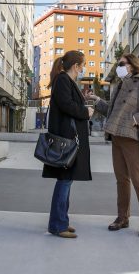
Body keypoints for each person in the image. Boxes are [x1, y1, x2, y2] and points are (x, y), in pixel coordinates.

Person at [86, 54, 139, 237]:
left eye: (121, 64)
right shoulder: (119, 86)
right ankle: (122, 217)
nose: (118, 67)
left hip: (133, 138)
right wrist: (97, 101)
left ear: (133, 66)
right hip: (117, 137)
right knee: (122, 180)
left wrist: (135, 119)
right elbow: (112, 112)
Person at [43, 50, 94, 239]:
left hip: (69, 139)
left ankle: (61, 220)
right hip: (67, 140)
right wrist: (85, 112)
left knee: (67, 180)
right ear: (76, 66)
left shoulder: (66, 80)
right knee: (64, 181)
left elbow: (68, 103)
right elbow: (66, 105)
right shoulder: (63, 80)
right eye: (83, 65)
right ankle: (57, 225)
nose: (84, 68)